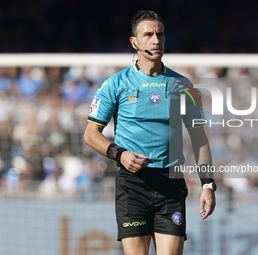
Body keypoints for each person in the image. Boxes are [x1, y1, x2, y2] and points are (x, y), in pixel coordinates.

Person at [84, 10, 216, 255]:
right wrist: (119, 154)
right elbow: (91, 134)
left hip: (170, 185)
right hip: (132, 186)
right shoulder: (116, 83)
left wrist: (207, 184)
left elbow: (200, 139)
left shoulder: (183, 86)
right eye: (148, 35)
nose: (155, 40)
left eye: (160, 34)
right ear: (134, 42)